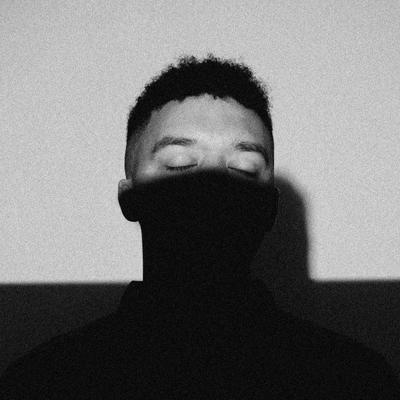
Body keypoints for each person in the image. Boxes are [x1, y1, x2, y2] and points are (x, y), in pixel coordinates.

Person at [1, 55, 399, 399]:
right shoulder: (44, 383)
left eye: (245, 169)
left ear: (269, 207)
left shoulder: (353, 380)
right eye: (179, 164)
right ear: (129, 197)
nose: (213, 184)